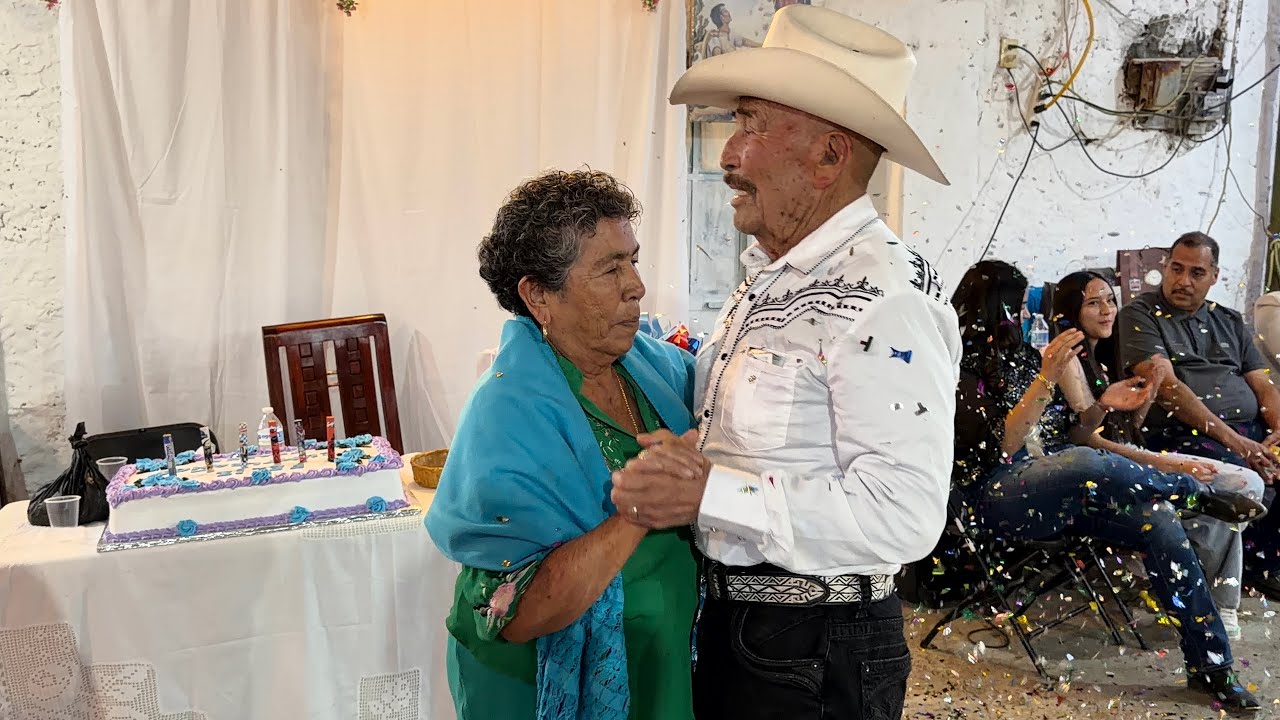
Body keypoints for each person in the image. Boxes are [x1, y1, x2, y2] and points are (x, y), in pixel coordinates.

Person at [616, 7, 960, 718]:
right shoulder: (774, 277)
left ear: (829, 156)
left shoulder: (883, 297)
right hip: (756, 630)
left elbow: (905, 513)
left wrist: (709, 493)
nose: (728, 155)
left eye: (751, 125)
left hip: (816, 644)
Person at [424, 170, 700, 720]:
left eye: (633, 261)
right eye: (610, 269)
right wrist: (639, 511)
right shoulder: (506, 413)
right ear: (539, 296)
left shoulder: (662, 369)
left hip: (664, 661)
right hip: (541, 684)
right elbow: (518, 610)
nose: (636, 286)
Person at [952, 260, 1262, 710]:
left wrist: (1103, 405)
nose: (1024, 317)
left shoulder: (1023, 357)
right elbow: (1004, 446)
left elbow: (1069, 435)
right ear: (992, 308)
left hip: (1062, 479)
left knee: (1159, 520)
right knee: (1081, 461)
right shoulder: (958, 371)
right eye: (1017, 307)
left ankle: (1212, 667)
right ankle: (1195, 493)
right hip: (999, 494)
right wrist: (1046, 378)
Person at [1051, 270, 1266, 639]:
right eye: (1093, 303)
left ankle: (1206, 597)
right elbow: (1088, 441)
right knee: (1234, 489)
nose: (1107, 310)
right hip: (1100, 468)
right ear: (1071, 311)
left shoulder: (1108, 349)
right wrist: (1169, 463)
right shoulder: (1068, 358)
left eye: (1110, 300)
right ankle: (1209, 601)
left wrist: (1149, 392)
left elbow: (1126, 425)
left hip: (1130, 453)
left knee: (1241, 488)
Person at [1117, 232, 1280, 601]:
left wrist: (1277, 430)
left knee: (1273, 460)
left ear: (1215, 276)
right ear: (1165, 268)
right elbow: (1167, 388)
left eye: (1196, 273)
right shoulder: (1140, 315)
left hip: (1246, 431)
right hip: (1182, 433)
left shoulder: (1228, 319)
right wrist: (1238, 442)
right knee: (1244, 470)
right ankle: (1231, 577)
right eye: (1176, 269)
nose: (1183, 281)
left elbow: (1262, 383)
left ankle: (1265, 563)